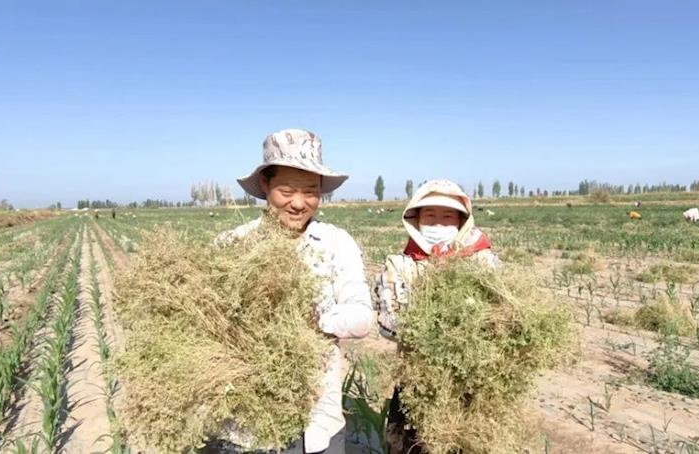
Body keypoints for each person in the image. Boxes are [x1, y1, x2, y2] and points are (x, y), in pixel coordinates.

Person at [209, 129, 373, 454]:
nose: (299, 203)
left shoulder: (336, 244)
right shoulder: (231, 246)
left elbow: (362, 318)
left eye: (311, 191)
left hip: (317, 427)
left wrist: (315, 318)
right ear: (265, 187)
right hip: (245, 426)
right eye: (286, 190)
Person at [375, 179, 500, 454]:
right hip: (416, 381)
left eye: (447, 218)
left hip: (470, 381)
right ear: (415, 220)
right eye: (430, 217)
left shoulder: (482, 261)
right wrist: (437, 329)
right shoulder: (399, 265)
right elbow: (387, 323)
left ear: (461, 222)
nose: (439, 226)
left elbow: (500, 315)